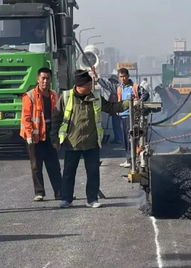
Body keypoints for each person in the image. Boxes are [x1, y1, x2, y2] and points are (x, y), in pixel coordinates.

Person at [50, 69, 131, 208]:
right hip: (72, 142)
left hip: (92, 142)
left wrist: (129, 103)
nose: (90, 87)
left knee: (93, 172)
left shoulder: (96, 97)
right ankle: (66, 199)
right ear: (79, 85)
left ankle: (92, 199)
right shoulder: (66, 97)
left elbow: (112, 107)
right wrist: (54, 139)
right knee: (69, 173)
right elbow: (56, 119)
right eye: (88, 84)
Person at [21, 67, 62, 202]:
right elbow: (26, 118)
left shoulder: (54, 95)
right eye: (43, 78)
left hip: (50, 135)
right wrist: (29, 135)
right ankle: (39, 192)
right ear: (38, 79)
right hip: (35, 137)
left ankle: (59, 193)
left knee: (54, 165)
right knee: (36, 166)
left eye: (48, 78)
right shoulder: (30, 96)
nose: (45, 81)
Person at [116, 68, 149, 168]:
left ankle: (133, 159)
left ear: (128, 76)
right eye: (121, 77)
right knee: (126, 139)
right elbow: (108, 87)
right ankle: (129, 159)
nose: (123, 78)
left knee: (133, 138)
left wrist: (138, 103)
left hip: (132, 116)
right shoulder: (119, 88)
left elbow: (146, 94)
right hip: (123, 115)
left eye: (124, 76)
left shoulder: (134, 86)